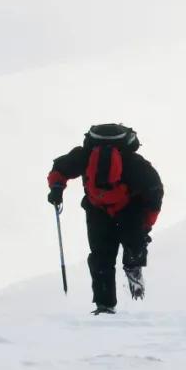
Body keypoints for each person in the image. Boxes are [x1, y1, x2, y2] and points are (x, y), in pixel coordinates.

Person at [46, 123, 164, 314]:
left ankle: (105, 305)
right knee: (117, 251)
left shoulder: (88, 157)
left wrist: (56, 189)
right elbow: (155, 195)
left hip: (106, 209)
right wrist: (146, 227)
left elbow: (60, 169)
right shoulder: (136, 164)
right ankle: (128, 273)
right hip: (124, 210)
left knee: (101, 257)